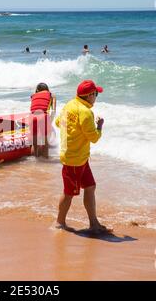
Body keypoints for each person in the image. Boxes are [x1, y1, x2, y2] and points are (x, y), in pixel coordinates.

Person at [55, 80, 109, 234]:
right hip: (74, 160)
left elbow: (59, 123)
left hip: (79, 157)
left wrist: (73, 132)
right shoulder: (86, 112)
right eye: (96, 94)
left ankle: (94, 223)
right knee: (69, 193)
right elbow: (93, 137)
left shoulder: (70, 104)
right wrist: (99, 126)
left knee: (90, 187)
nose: (96, 97)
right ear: (90, 95)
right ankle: (59, 223)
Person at [30, 83, 56, 158]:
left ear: (37, 90)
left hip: (32, 117)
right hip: (43, 116)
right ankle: (45, 163)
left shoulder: (33, 95)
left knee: (34, 143)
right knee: (45, 142)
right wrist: (50, 122)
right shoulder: (51, 95)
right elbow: (53, 111)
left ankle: (35, 161)